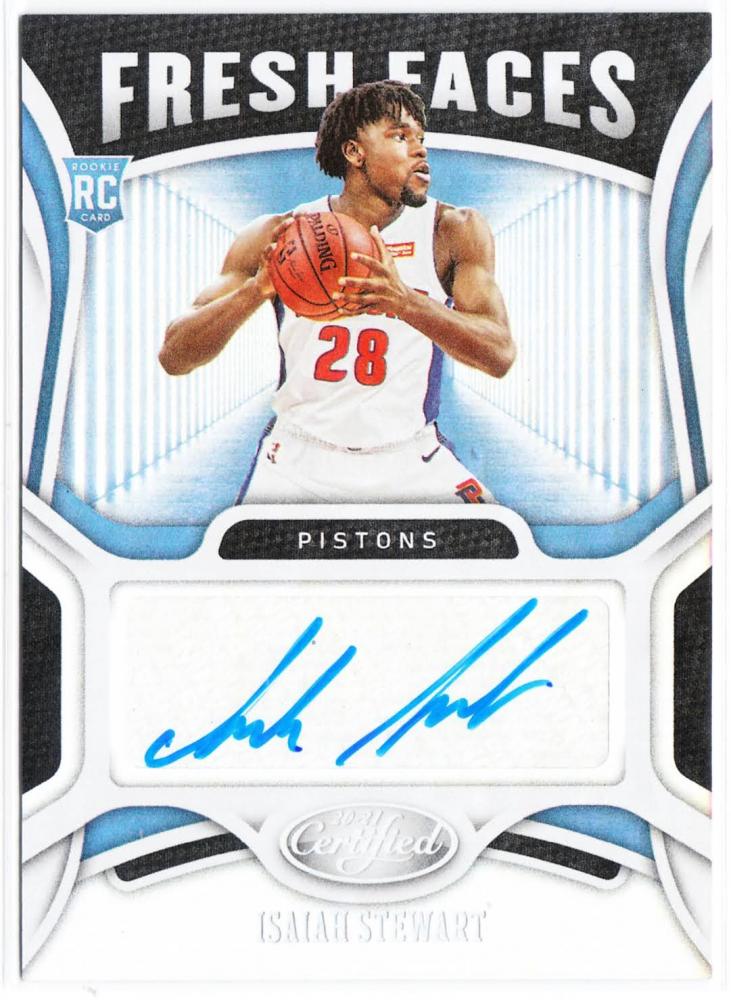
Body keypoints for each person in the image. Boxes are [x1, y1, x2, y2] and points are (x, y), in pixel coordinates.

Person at [159, 81, 515, 504]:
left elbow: (499, 355)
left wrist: (406, 303)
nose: (420, 150)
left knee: (500, 540)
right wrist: (256, 290)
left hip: (411, 459)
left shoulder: (452, 230)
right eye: (400, 136)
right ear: (354, 152)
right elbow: (174, 355)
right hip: (298, 462)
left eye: (421, 138)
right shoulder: (279, 233)